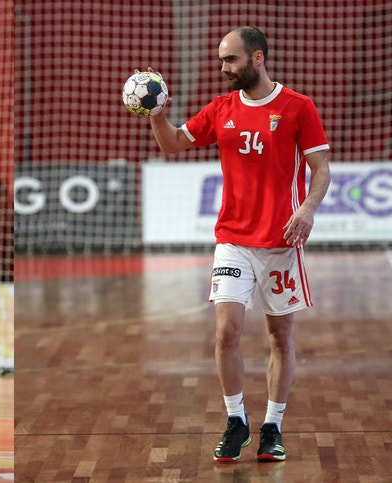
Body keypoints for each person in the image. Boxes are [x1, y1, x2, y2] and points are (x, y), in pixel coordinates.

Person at [147, 27, 330, 463]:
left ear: (258, 58)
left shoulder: (297, 107)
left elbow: (321, 169)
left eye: (230, 60)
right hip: (232, 241)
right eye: (221, 60)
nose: (223, 68)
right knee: (226, 331)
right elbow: (173, 143)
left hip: (281, 242)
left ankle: (272, 426)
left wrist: (306, 210)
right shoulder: (221, 108)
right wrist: (156, 113)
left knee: (279, 337)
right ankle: (235, 421)